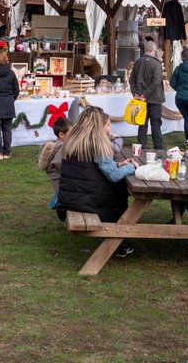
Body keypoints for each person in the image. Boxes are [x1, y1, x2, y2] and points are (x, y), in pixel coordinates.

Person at [56, 107, 137, 257]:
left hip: (69, 199)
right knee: (120, 188)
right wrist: (133, 167)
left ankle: (120, 240)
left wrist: (119, 165)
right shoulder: (97, 143)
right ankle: (119, 239)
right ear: (97, 124)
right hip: (89, 202)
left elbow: (90, 169)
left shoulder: (73, 141)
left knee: (118, 188)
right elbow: (113, 175)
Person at [130, 40, 165, 151]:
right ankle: (158, 147)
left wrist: (135, 92)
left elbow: (132, 79)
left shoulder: (138, 62)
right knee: (155, 124)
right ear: (153, 50)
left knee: (142, 123)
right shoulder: (156, 63)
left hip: (140, 97)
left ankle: (142, 146)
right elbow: (156, 81)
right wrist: (145, 94)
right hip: (154, 98)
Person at [38, 119, 71, 207]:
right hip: (62, 183)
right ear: (61, 134)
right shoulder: (61, 149)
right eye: (71, 133)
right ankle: (58, 200)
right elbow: (62, 167)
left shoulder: (57, 145)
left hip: (59, 182)